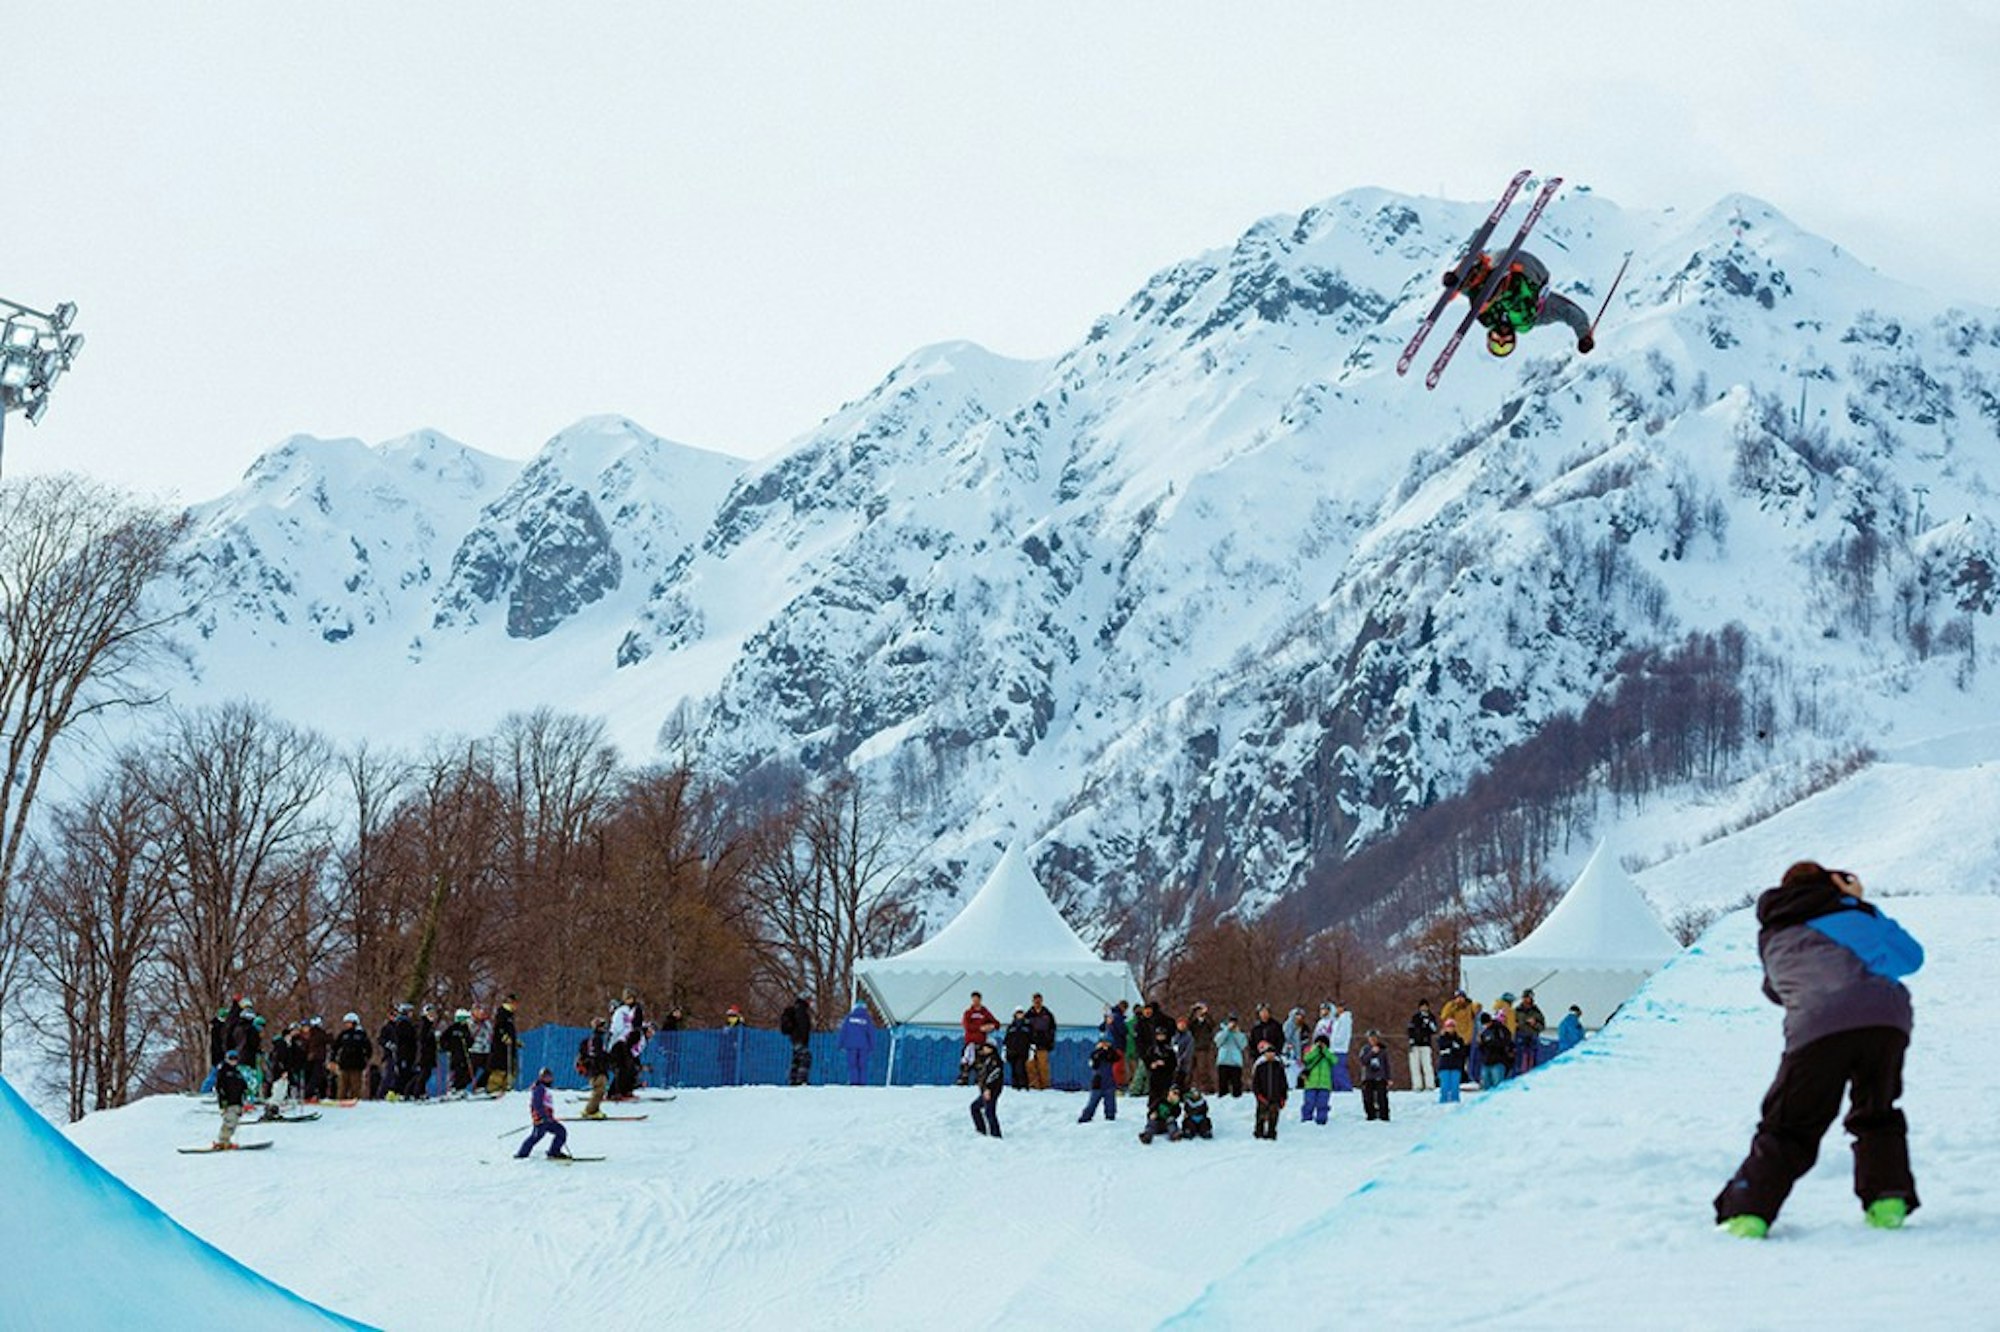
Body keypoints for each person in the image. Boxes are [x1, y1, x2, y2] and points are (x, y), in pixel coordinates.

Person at [1715, 862, 1924, 1239]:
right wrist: (1861, 905)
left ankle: (1749, 1212)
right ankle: (1887, 1201)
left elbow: (1774, 990)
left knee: (1789, 1123)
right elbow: (1910, 958)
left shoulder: (1772, 933)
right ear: (1832, 884)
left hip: (1817, 1029)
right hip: (1884, 1022)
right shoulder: (1848, 913)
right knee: (1876, 1111)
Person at [1442, 240, 1594, 358]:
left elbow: (1475, 300)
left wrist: (1455, 284)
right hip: (1529, 271)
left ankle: (1473, 276)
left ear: (1490, 337)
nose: (1502, 340)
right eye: (1506, 345)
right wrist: (1583, 335)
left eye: (1497, 343)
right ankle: (1504, 287)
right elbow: (1568, 311)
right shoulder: (1537, 317)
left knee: (1484, 316)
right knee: (1523, 323)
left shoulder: (1487, 318)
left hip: (1497, 262)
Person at [515, 1067, 571, 1161]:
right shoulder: (539, 1088)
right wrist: (543, 1116)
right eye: (546, 1077)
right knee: (536, 1136)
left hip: (547, 1118)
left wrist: (549, 1117)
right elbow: (537, 1104)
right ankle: (522, 1154)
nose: (549, 1079)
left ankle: (554, 1152)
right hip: (541, 1119)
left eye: (550, 1077)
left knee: (561, 1131)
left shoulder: (544, 1088)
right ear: (541, 1078)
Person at [959, 992, 999, 1085]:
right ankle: (963, 1081)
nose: (975, 1001)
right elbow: (967, 1026)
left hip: (981, 1043)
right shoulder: (968, 1013)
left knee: (980, 1065)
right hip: (970, 1043)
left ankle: (979, 1082)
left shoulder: (985, 1012)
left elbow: (996, 1023)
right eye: (974, 1000)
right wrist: (980, 1028)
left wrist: (991, 1026)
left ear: (980, 1000)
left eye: (977, 999)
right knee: (966, 1063)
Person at [1250, 1041, 1288, 1141]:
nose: (1270, 1055)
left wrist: (1283, 1096)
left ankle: (1271, 1133)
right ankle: (1259, 1133)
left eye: (1272, 1053)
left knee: (1273, 1116)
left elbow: (1283, 1083)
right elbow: (1255, 1083)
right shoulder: (1260, 1067)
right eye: (1268, 1053)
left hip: (1276, 1096)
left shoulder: (1279, 1067)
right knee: (1260, 1116)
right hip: (1263, 1096)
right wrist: (1258, 1094)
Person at [330, 1012, 371, 1102]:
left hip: (357, 1064)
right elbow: (335, 1047)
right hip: (344, 1064)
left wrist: (366, 1058)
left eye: (348, 1022)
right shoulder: (343, 1035)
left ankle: (355, 1101)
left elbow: (368, 1048)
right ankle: (340, 1101)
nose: (347, 1025)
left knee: (355, 1087)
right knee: (342, 1087)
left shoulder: (361, 1035)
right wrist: (332, 1059)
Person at [213, 1049, 249, 1149]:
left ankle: (227, 1140)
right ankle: (223, 1140)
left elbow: (243, 1086)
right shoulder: (223, 1071)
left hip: (237, 1101)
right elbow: (219, 1087)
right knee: (229, 1120)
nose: (233, 1061)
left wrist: (245, 1095)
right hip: (228, 1101)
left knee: (235, 1121)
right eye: (231, 1059)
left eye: (235, 1059)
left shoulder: (237, 1072)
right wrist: (223, 1101)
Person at [577, 1016, 611, 1118]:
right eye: (602, 1026)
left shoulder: (595, 1039)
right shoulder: (597, 1039)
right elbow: (597, 1055)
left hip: (594, 1068)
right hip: (597, 1069)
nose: (604, 1029)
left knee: (600, 1090)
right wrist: (604, 1065)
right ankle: (589, 1110)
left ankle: (595, 1109)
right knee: (599, 1090)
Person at [1078, 1036, 1118, 1123]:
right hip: (1098, 1082)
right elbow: (1094, 1064)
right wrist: (1100, 1051)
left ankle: (1110, 1117)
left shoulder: (1111, 1053)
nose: (1104, 1045)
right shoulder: (1095, 1054)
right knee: (1092, 1102)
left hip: (1109, 1082)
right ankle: (1085, 1118)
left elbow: (1115, 1058)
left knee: (1110, 1103)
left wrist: (1109, 1050)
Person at [968, 1040, 1004, 1138]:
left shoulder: (995, 1060)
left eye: (986, 1047)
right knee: (976, 1107)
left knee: (989, 1111)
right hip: (986, 1090)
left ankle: (995, 1134)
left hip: (991, 1090)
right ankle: (982, 1130)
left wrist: (988, 1088)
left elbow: (993, 1076)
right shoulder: (987, 1059)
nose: (984, 1049)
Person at [1299, 1034, 1335, 1125]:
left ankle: (1322, 1120)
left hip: (1325, 1084)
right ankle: (1306, 1119)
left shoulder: (1328, 1054)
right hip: (1311, 1083)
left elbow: (1334, 1061)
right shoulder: (1311, 1052)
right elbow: (1306, 1059)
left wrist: (1325, 1051)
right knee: (1309, 1103)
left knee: (1322, 1104)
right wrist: (1316, 1051)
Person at [1357, 1030, 1393, 1122]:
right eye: (1371, 1038)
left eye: (1374, 1038)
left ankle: (1384, 1115)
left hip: (1380, 1077)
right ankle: (1370, 1115)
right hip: (1368, 1077)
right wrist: (1372, 1053)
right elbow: (1363, 1061)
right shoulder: (1365, 1049)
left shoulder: (1383, 1050)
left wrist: (1389, 1078)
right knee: (1368, 1098)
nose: (1373, 1040)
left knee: (1382, 1097)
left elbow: (1387, 1064)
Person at [837, 1002, 875, 1086]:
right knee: (863, 1065)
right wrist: (872, 1046)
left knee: (852, 1064)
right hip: (864, 1046)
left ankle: (854, 1082)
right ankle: (862, 1083)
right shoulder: (867, 1019)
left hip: (851, 1045)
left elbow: (843, 1032)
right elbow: (871, 1033)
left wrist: (840, 1044)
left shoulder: (849, 1018)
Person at [779, 992, 813, 1087]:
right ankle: (801, 1080)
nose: (810, 1002)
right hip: (799, 1039)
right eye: (809, 999)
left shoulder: (796, 1008)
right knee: (806, 1057)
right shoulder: (801, 1010)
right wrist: (803, 1038)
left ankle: (793, 1079)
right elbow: (803, 1026)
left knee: (797, 1059)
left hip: (794, 1038)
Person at [1024, 993, 1057, 1091]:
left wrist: (1050, 1042)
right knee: (1030, 1065)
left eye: (1039, 1000)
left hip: (1043, 1044)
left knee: (1043, 1066)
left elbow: (1052, 1029)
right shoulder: (1028, 1015)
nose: (1037, 1002)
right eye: (1035, 1000)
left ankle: (1045, 1086)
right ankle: (1034, 1085)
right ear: (1033, 1001)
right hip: (1031, 1045)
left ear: (1042, 1001)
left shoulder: (1048, 1014)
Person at [490, 995, 520, 1095]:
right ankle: (494, 1088)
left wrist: (515, 1042)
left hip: (509, 1046)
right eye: (515, 1003)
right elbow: (499, 1027)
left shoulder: (510, 1015)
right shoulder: (503, 1013)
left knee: (511, 1068)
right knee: (500, 1068)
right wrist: (504, 1036)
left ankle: (506, 1086)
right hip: (501, 1048)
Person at [1406, 999, 1438, 1093]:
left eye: (1425, 1006)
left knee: (1427, 1065)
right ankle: (1417, 1085)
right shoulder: (1415, 1017)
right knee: (1415, 1066)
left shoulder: (1431, 1017)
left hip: (1426, 1044)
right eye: (1422, 1006)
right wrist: (1411, 1040)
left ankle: (1430, 1085)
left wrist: (1429, 1022)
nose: (1424, 1008)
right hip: (1415, 1044)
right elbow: (1410, 1029)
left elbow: (1434, 1029)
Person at [1435, 1018, 1469, 1105]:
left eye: (1452, 1026)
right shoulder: (1442, 1038)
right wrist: (1452, 1047)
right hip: (1444, 1066)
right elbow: (1442, 1047)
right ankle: (1443, 1103)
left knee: (1455, 1087)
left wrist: (1453, 1049)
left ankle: (1455, 1103)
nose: (1450, 1028)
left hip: (1456, 1065)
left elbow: (1462, 1051)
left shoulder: (1459, 1039)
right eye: (1448, 1026)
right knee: (1444, 1087)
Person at [440, 1009, 474, 1095]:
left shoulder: (466, 1029)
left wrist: (468, 1042)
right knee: (457, 1071)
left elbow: (470, 1041)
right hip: (455, 1054)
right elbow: (443, 1039)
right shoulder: (452, 1028)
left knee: (466, 1072)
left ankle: (460, 1088)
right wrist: (447, 1047)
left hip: (464, 1054)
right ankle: (454, 1088)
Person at [1514, 989, 1548, 1075]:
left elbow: (1542, 1027)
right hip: (1519, 1039)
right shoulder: (1516, 1011)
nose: (1527, 999)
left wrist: (1535, 1023)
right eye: (1526, 997)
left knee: (1532, 1059)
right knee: (1520, 1060)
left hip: (1532, 1039)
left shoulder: (1537, 1012)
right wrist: (1516, 1025)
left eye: (1529, 997)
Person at [1477, 1014, 1514, 1091]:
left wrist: (1491, 1043)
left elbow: (1506, 1042)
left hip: (1498, 1061)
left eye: (1486, 1023)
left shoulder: (1501, 1029)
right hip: (1486, 1062)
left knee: (1498, 1087)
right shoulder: (1484, 1032)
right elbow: (1482, 1049)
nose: (1485, 1025)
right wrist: (1480, 1043)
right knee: (1486, 1087)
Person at [1214, 1015, 1248, 1098]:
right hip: (1223, 1061)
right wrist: (1226, 1030)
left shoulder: (1240, 1034)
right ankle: (1222, 1102)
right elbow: (1218, 1042)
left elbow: (1243, 1045)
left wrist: (1237, 1033)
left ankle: (1237, 1103)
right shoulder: (1222, 1032)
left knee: (1236, 1085)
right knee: (1223, 1085)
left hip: (1235, 1062)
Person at [1187, 1002, 1216, 1093]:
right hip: (1192, 1048)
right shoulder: (1193, 1023)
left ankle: (1207, 1089)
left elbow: (1213, 1024)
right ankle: (1186, 1088)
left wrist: (1206, 1013)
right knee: (1188, 1070)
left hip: (1203, 1049)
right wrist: (1192, 1012)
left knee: (1203, 1070)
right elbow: (1188, 1024)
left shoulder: (1207, 1023)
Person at [1003, 1009, 1033, 1090]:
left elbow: (1032, 1038)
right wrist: (1004, 1049)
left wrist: (1032, 1049)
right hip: (1011, 1051)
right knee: (1013, 1069)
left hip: (1023, 1051)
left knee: (1020, 1068)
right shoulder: (1011, 1026)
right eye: (1018, 1013)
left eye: (1021, 1013)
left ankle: (1024, 1085)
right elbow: (1007, 1039)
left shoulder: (1028, 1026)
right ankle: (1015, 1086)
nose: (1019, 1015)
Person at [469, 1004, 494, 1092]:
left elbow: (490, 1034)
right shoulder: (470, 1022)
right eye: (478, 1011)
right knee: (471, 1071)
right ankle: (459, 1087)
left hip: (486, 1050)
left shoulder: (487, 1023)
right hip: (474, 1050)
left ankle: (480, 1086)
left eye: (482, 1011)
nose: (481, 1013)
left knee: (490, 1068)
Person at [719, 1005, 745, 1086]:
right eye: (730, 1016)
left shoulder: (740, 1026)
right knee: (726, 1071)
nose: (731, 1018)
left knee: (735, 1071)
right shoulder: (726, 1027)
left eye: (733, 1016)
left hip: (736, 1054)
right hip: (726, 1053)